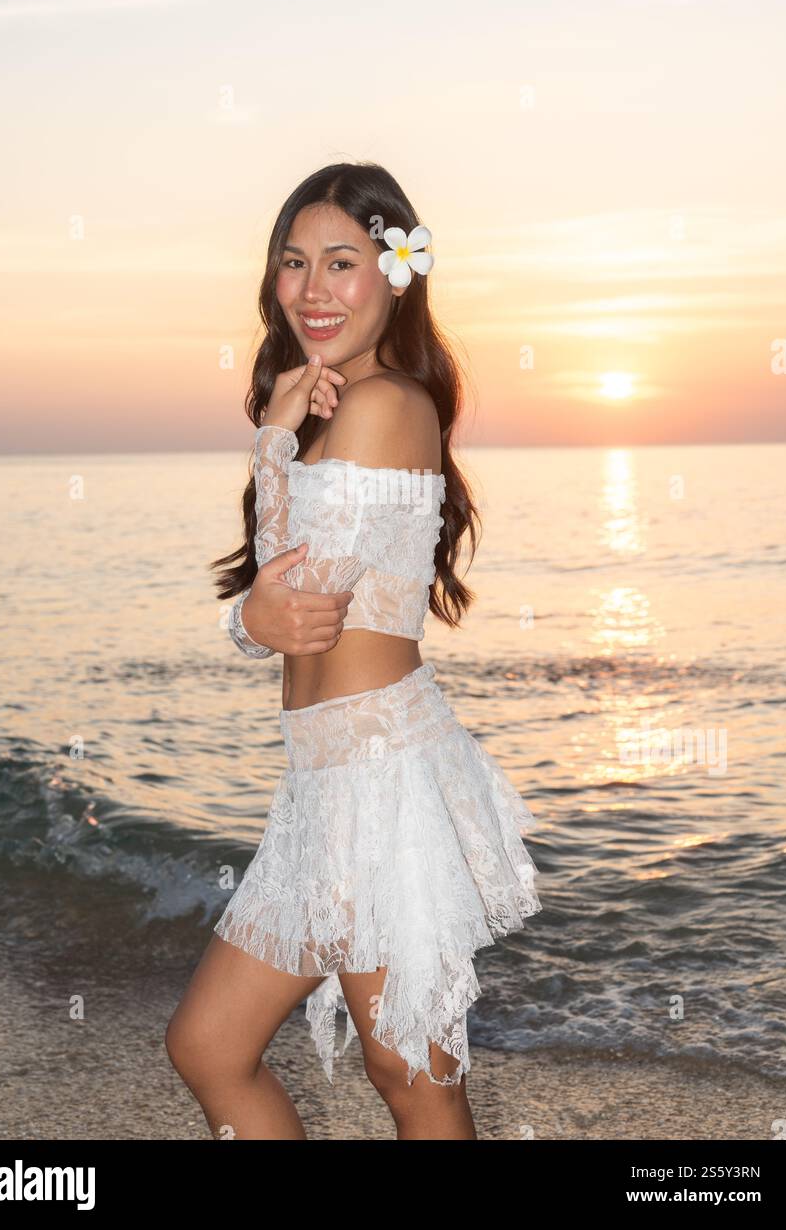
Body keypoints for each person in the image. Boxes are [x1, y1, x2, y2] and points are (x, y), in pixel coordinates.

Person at [165, 161, 541, 1140]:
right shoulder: (327, 412)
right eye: (294, 262)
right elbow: (282, 603)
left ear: (397, 275)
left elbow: (296, 603)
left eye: (343, 261)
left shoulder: (384, 405)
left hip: (382, 779)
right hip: (320, 784)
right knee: (210, 1047)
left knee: (411, 1074)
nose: (313, 289)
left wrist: (251, 593)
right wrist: (277, 445)